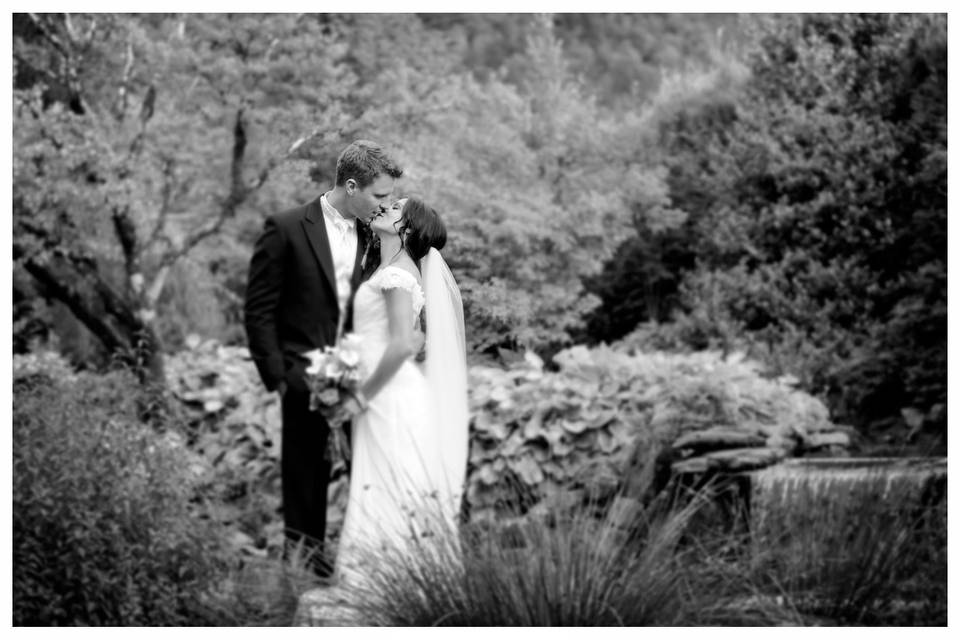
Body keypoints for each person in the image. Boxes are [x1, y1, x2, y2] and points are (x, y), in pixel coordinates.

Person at [244, 140, 403, 576]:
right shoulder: (286, 228)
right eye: (380, 196)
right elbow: (258, 310)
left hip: (366, 386)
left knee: (367, 484)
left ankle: (368, 576)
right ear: (351, 186)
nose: (388, 204)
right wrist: (279, 378)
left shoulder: (378, 236)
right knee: (304, 487)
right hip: (302, 381)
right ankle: (301, 584)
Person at [334, 197, 469, 590]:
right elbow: (407, 339)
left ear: (406, 228)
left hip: (389, 396)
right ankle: (388, 587)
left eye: (395, 209)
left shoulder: (398, 276)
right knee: (383, 484)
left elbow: (400, 346)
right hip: (384, 393)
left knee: (392, 486)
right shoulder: (389, 269)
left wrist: (360, 396)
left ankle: (390, 588)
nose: (383, 208)